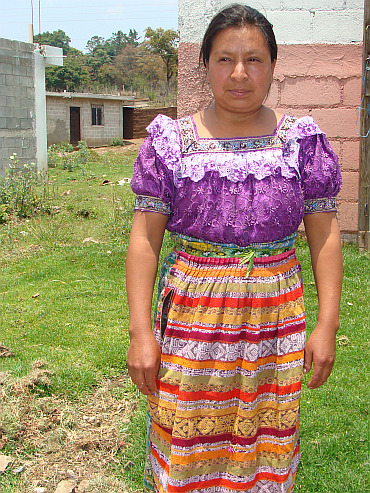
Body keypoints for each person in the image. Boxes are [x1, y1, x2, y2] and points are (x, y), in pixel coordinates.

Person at [126, 4, 343, 492]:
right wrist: (142, 333)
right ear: (205, 65)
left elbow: (325, 238)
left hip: (275, 324)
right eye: (225, 59)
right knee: (186, 445)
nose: (239, 74)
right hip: (190, 326)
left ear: (273, 66)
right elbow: (144, 241)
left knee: (265, 442)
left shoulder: (301, 143)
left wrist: (326, 325)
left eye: (254, 59)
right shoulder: (171, 143)